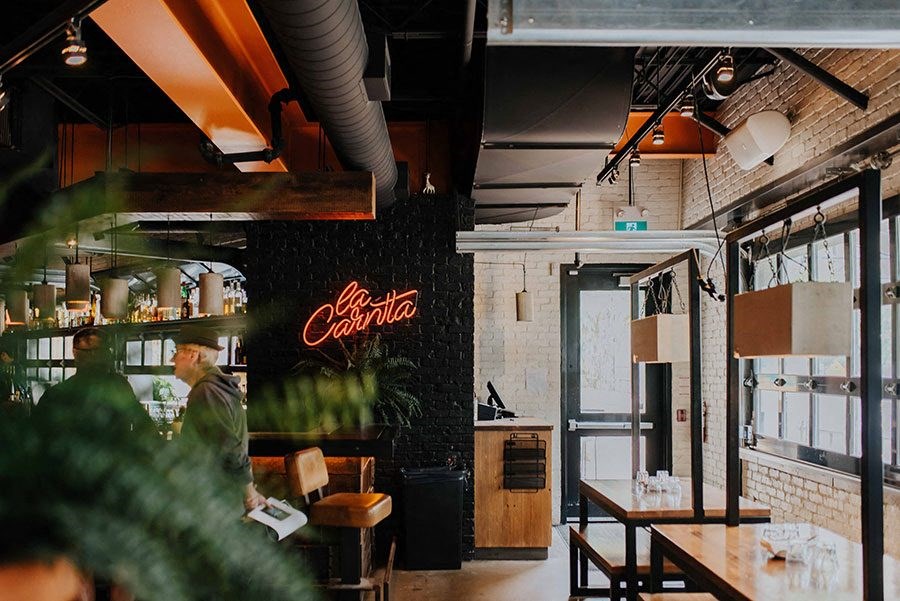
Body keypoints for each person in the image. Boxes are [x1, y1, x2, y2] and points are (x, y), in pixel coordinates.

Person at [171, 324, 267, 512]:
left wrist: (249, 494)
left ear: (193, 355)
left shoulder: (207, 392)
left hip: (213, 502)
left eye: (177, 352)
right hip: (221, 498)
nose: (172, 359)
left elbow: (231, 447)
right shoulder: (219, 388)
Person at [35, 328, 153, 435]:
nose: (96, 358)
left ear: (74, 353)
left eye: (101, 352)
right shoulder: (118, 386)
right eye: (95, 353)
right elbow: (144, 426)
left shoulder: (55, 394)